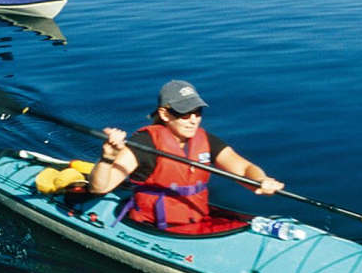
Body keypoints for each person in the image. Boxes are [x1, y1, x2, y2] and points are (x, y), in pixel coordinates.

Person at [90, 80, 283, 232]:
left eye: (197, 113)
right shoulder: (144, 144)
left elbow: (243, 168)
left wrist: (260, 180)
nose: (193, 121)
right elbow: (100, 188)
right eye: (185, 114)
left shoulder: (205, 140)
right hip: (156, 226)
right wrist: (108, 156)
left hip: (196, 220)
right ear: (165, 114)